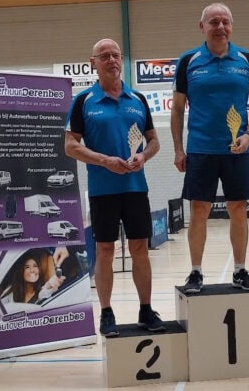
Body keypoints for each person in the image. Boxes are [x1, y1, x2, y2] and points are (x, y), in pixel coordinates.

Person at [65, 38, 165, 337]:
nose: (111, 60)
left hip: (135, 188)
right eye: (104, 55)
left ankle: (146, 309)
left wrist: (143, 156)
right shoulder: (83, 101)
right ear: (93, 63)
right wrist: (104, 160)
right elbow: (70, 146)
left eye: (115, 55)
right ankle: (107, 313)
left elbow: (154, 141)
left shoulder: (138, 99)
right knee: (105, 250)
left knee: (139, 248)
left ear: (122, 60)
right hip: (102, 190)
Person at [171, 3, 249, 293]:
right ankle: (196, 272)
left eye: (226, 21)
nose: (220, 27)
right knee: (199, 209)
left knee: (238, 208)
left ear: (232, 26)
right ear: (202, 26)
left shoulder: (246, 60)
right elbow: (177, 109)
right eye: (214, 22)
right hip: (200, 149)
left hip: (237, 150)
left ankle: (240, 270)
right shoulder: (188, 61)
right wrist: (179, 149)